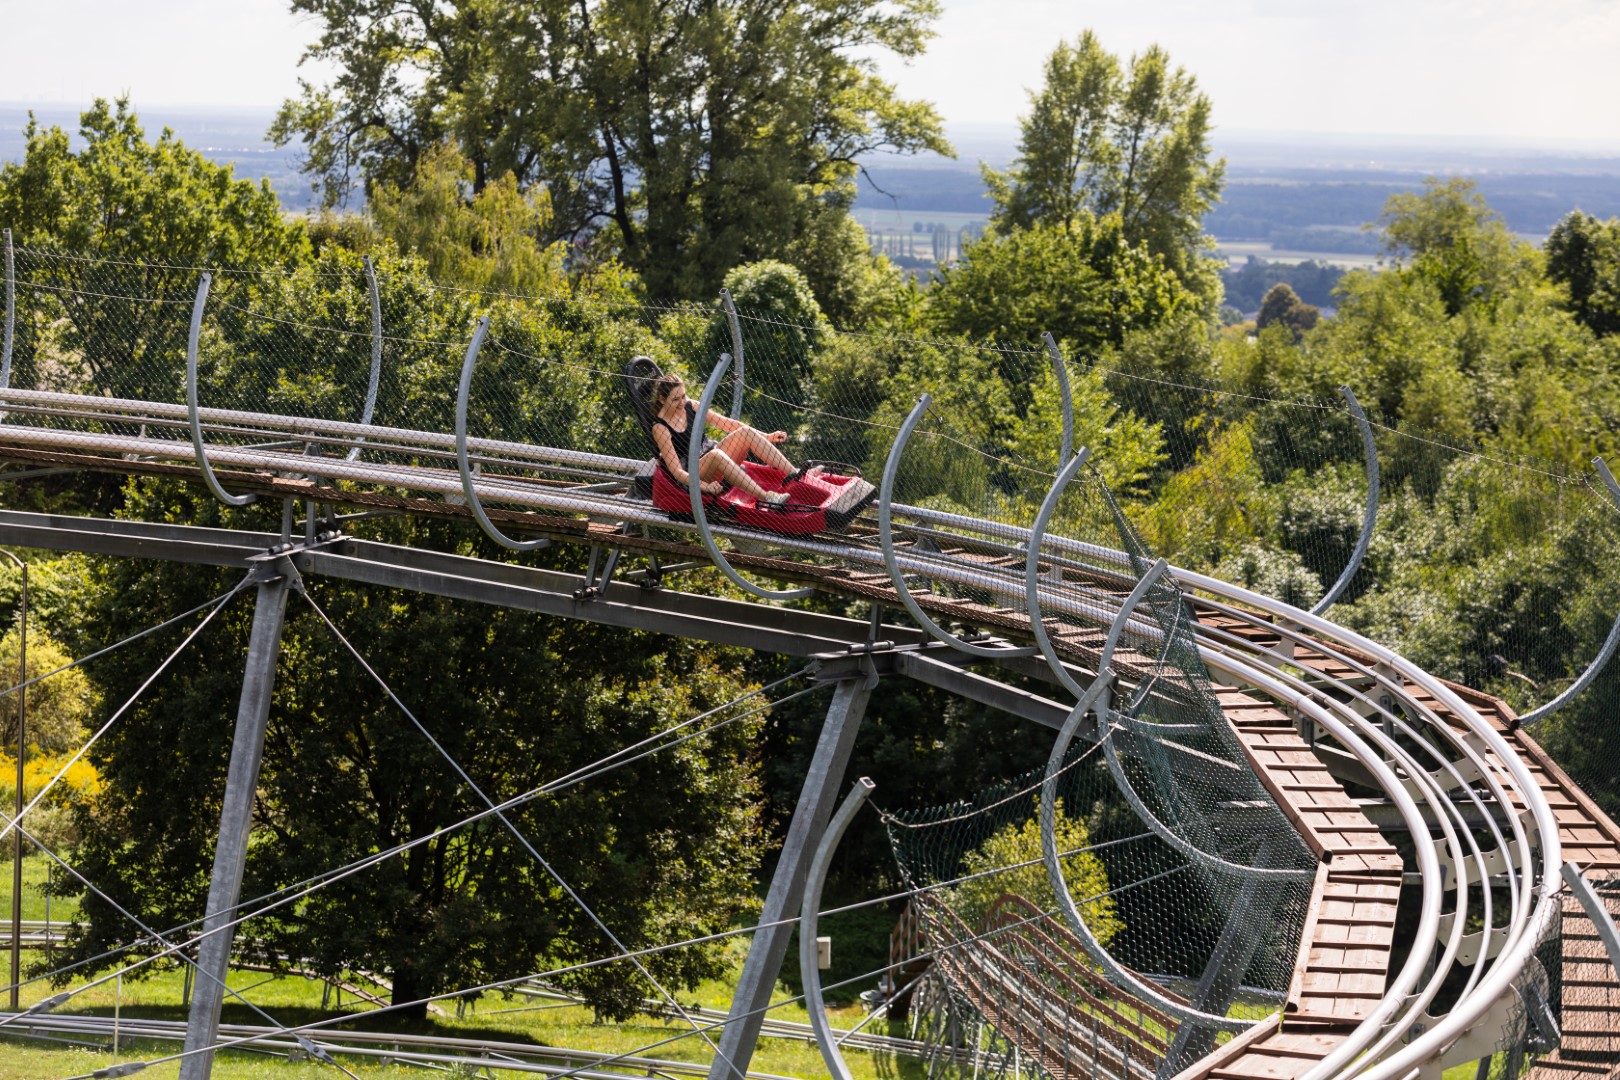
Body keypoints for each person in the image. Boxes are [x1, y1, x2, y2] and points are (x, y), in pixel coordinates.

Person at [647, 373, 798, 504]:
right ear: (661, 399)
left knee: (744, 432)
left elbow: (727, 424)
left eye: (683, 396)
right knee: (716, 455)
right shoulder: (660, 428)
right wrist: (706, 487)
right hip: (694, 475)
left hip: (712, 456)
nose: (682, 402)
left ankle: (795, 475)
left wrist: (767, 436)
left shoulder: (690, 405)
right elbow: (677, 471)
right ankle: (768, 497)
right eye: (675, 399)